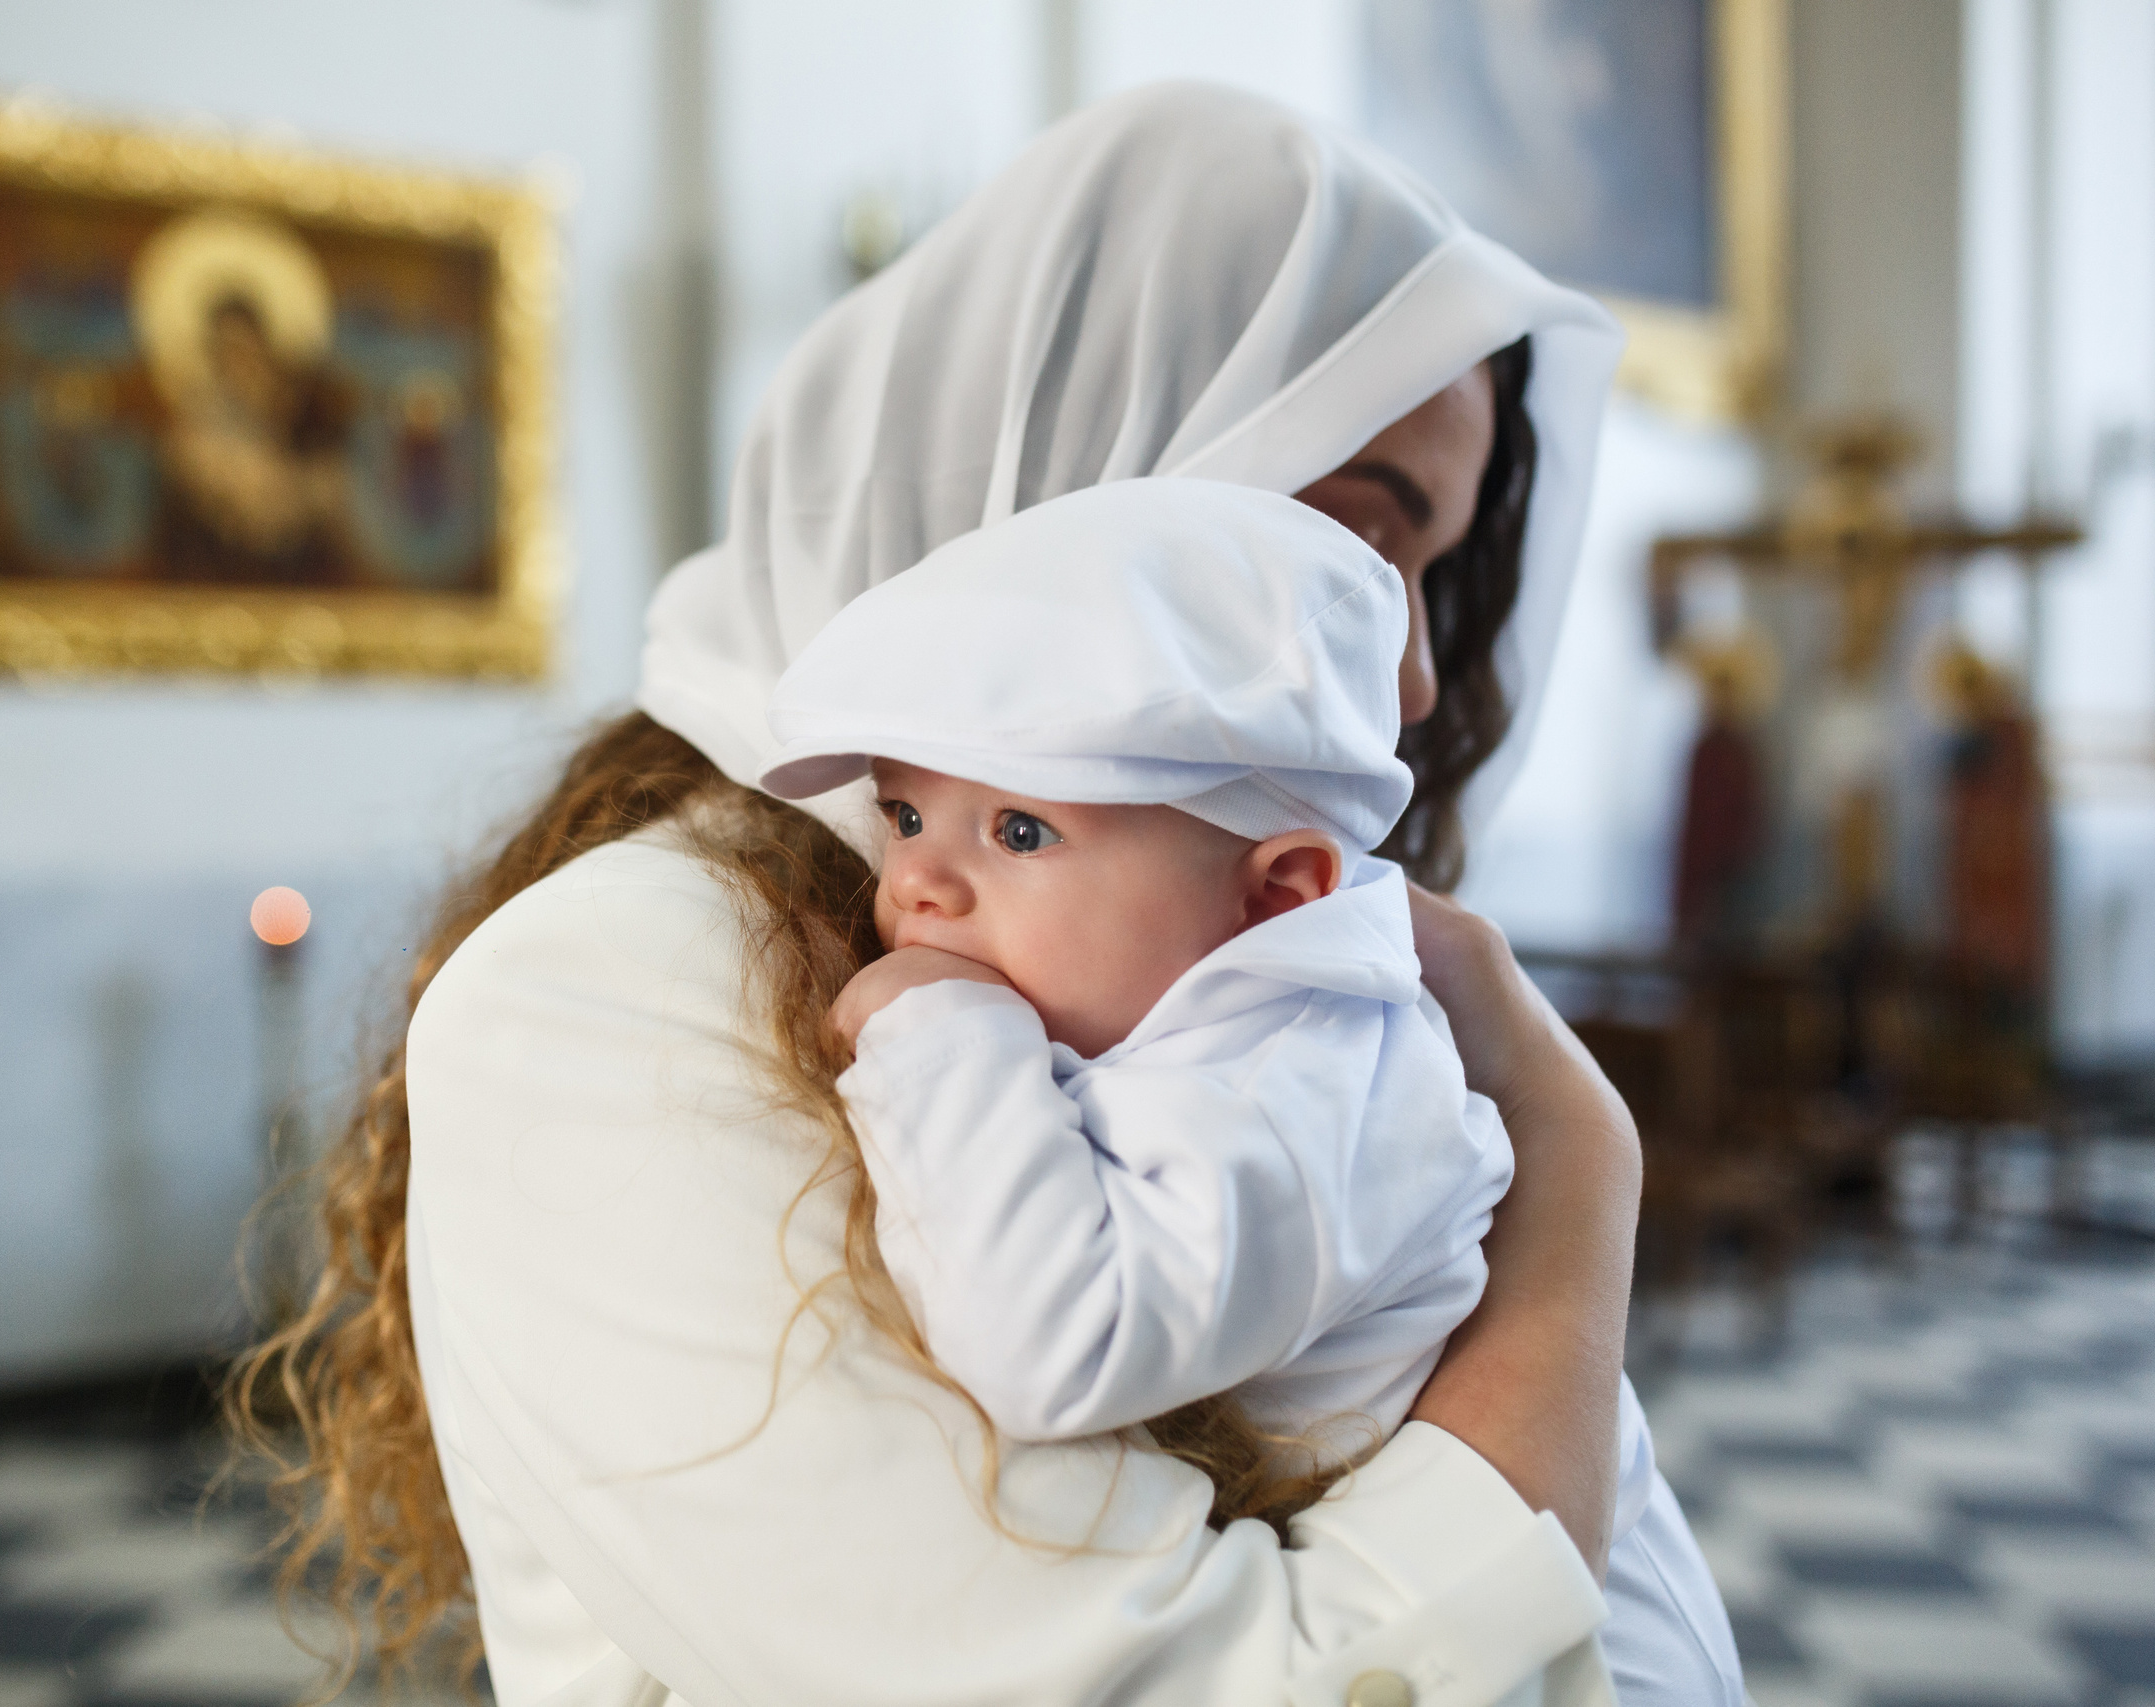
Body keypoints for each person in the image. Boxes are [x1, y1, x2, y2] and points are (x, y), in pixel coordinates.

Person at [236, 84, 1718, 1704]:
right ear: (1086, 465)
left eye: (1436, 582)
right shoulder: (613, 989)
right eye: (1364, 549)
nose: (1422, 675)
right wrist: (1578, 1192)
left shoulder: (1148, 955)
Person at [759, 476, 1734, 1706]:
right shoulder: (1181, 1003)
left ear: (1274, 893)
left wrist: (937, 1033)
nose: (920, 885)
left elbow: (1062, 1342)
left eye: (1018, 832)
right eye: (904, 810)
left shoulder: (1310, 1081)